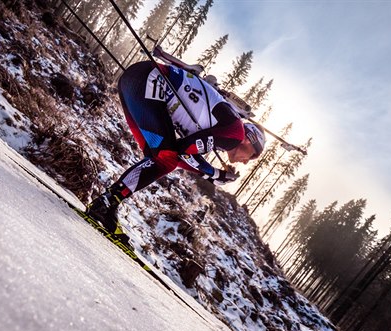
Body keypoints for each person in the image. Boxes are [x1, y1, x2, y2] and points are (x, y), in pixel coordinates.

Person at [86, 61, 266, 238]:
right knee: (164, 159)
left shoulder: (224, 126)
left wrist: (212, 174)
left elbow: (179, 155)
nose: (245, 162)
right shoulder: (235, 134)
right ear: (249, 141)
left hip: (138, 80)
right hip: (148, 81)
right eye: (251, 157)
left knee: (159, 160)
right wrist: (213, 173)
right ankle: (105, 204)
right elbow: (183, 150)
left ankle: (108, 205)